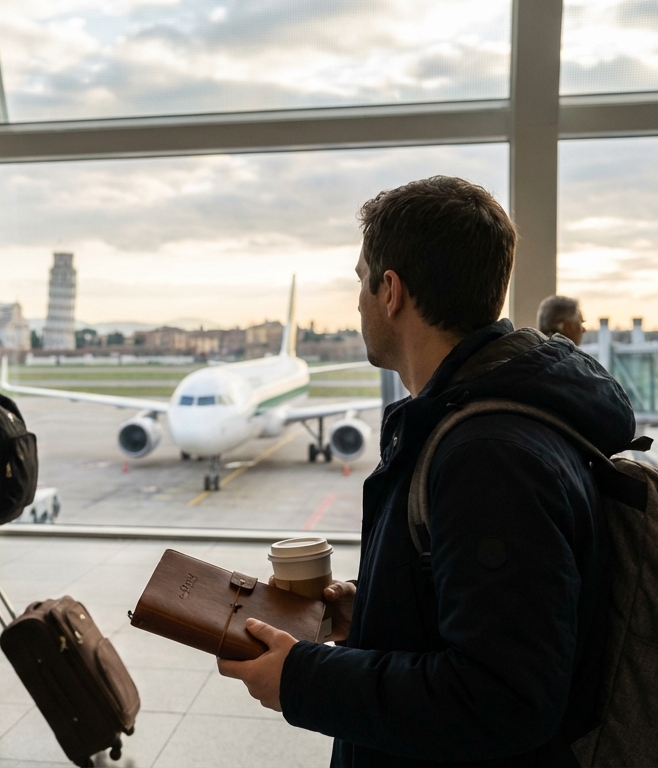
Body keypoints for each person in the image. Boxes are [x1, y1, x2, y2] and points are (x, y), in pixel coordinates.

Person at [217, 177, 632, 765]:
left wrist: (302, 678)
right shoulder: (491, 421)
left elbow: (502, 697)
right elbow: (495, 616)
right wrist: (370, 611)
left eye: (361, 280)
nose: (358, 301)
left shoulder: (487, 456)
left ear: (391, 291)